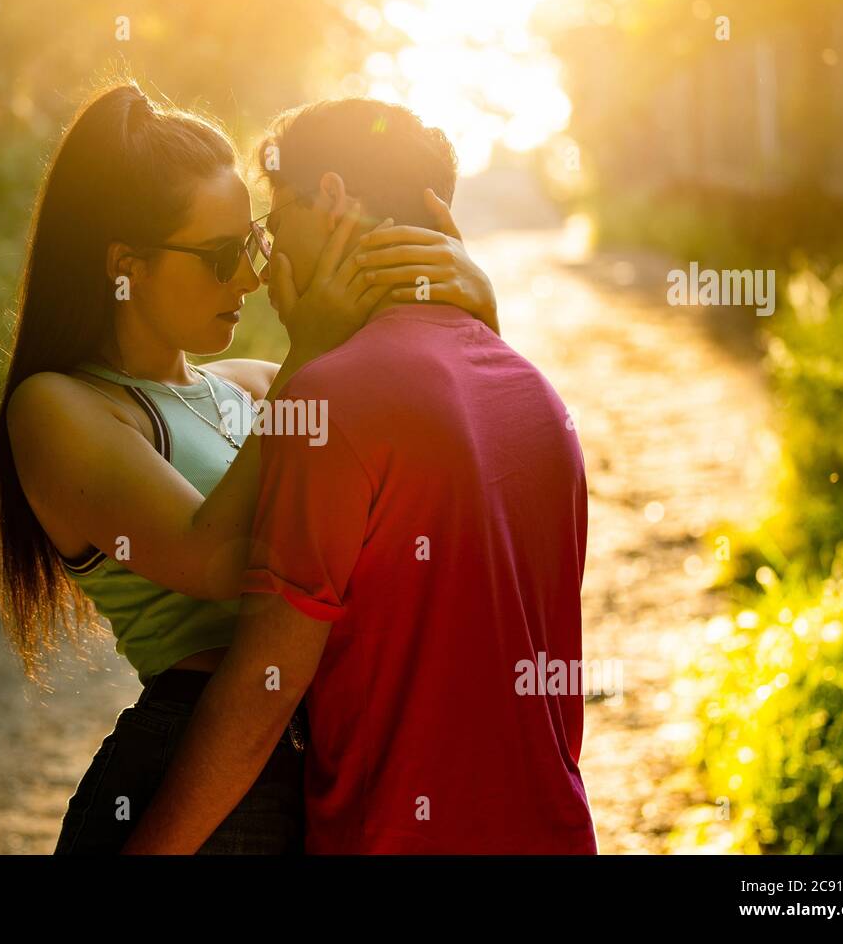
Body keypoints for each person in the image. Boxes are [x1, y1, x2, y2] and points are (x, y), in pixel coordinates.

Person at [0, 80, 501, 853]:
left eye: (253, 243)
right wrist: (311, 352)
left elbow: (449, 464)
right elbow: (222, 557)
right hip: (196, 760)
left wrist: (473, 302)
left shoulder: (258, 385)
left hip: (314, 754)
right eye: (222, 257)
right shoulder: (60, 409)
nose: (252, 280)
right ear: (128, 266)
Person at [123, 98, 599, 854]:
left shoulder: (332, 402)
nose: (268, 263)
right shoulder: (537, 395)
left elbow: (260, 692)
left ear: (334, 198)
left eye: (275, 227)